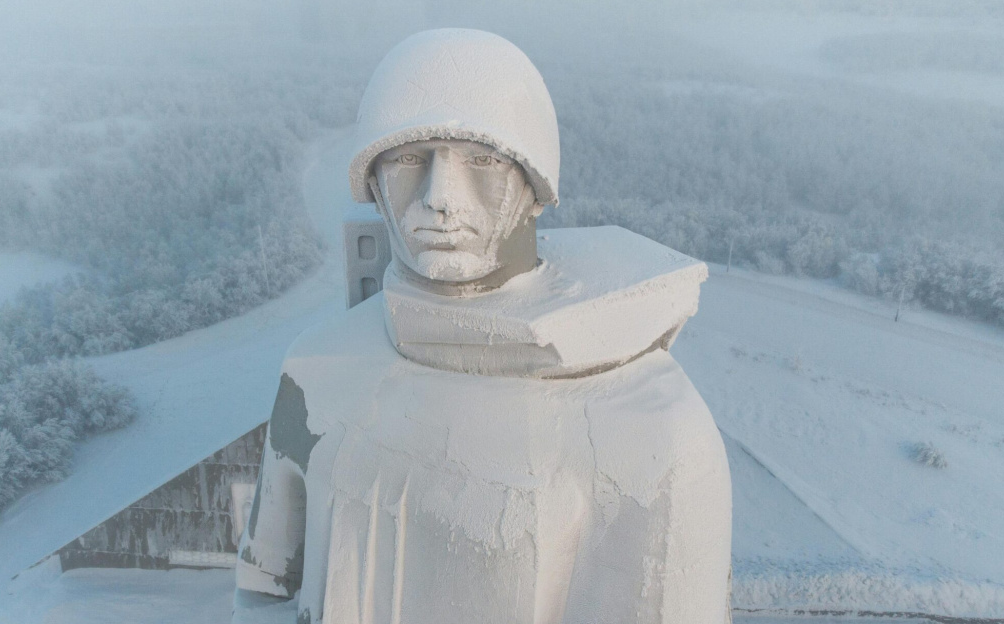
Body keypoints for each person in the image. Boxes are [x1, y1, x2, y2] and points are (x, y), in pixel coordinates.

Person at [234, 28, 732, 624]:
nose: (441, 196)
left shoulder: (654, 432)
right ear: (372, 184)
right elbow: (263, 592)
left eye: (482, 160)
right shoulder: (315, 373)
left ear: (534, 187)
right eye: (410, 160)